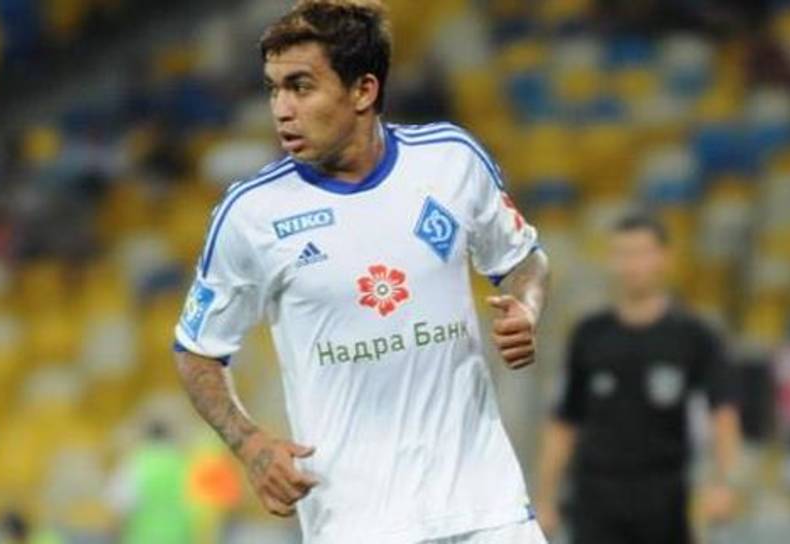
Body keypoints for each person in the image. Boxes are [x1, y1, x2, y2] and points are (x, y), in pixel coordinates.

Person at [172, 1, 551, 543]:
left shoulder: (450, 162)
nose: (281, 109)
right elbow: (197, 351)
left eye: (301, 87)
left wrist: (527, 307)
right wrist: (250, 445)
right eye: (274, 89)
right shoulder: (251, 214)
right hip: (358, 523)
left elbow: (524, 259)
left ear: (363, 91)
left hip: (487, 509)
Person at [535, 213, 742, 544]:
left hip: (664, 500)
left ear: (664, 258)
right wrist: (545, 498)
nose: (632, 264)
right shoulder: (589, 334)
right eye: (623, 253)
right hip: (595, 499)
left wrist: (724, 484)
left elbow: (723, 414)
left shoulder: (694, 335)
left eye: (641, 253)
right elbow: (564, 421)